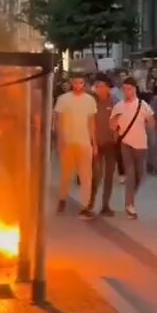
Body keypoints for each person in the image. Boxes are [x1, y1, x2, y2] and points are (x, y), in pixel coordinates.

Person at [53, 72, 98, 219]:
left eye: (80, 83)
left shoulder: (90, 100)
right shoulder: (63, 99)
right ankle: (62, 198)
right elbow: (58, 122)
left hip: (84, 142)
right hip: (68, 142)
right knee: (66, 173)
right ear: (71, 83)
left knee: (86, 176)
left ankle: (85, 205)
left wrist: (94, 143)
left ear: (84, 84)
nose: (78, 85)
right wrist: (60, 140)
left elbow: (92, 123)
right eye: (75, 82)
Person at [109, 78, 154, 220]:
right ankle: (130, 204)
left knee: (140, 174)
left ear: (135, 89)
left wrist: (150, 122)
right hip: (125, 143)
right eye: (125, 89)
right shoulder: (119, 106)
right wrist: (114, 121)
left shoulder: (142, 105)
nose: (127, 91)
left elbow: (151, 122)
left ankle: (131, 194)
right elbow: (112, 126)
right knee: (130, 173)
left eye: (129, 88)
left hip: (141, 144)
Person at [88, 74, 118, 217]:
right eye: (96, 86)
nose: (98, 89)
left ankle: (106, 205)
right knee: (96, 174)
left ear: (107, 87)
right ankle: (90, 202)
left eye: (101, 86)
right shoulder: (91, 101)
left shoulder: (114, 102)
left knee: (109, 175)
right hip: (96, 143)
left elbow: (120, 120)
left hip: (110, 144)